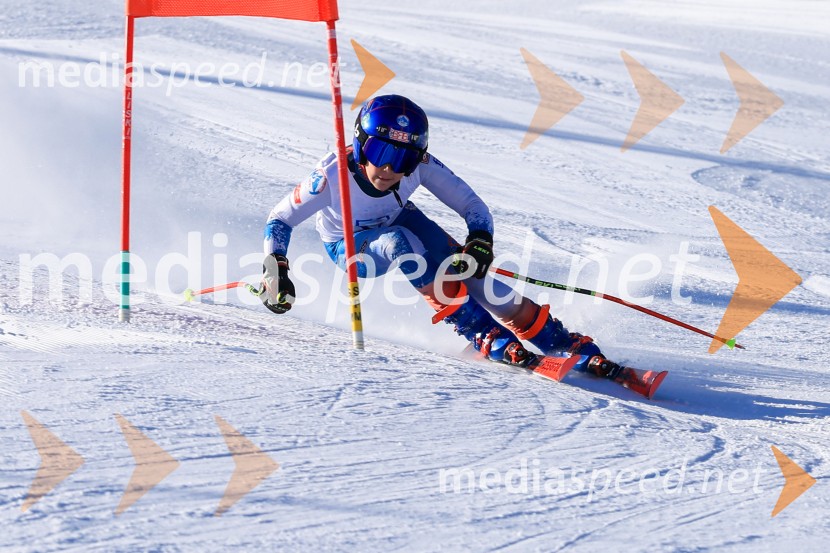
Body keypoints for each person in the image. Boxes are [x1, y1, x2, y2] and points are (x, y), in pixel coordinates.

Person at [261, 94, 616, 377]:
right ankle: (479, 330)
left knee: (468, 270)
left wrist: (479, 241)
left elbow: (472, 204)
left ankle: (558, 341)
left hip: (399, 217)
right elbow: (280, 219)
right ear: (359, 144)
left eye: (403, 160)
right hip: (350, 246)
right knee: (400, 242)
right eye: (379, 152)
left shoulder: (421, 167)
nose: (388, 169)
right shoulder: (330, 176)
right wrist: (275, 269)